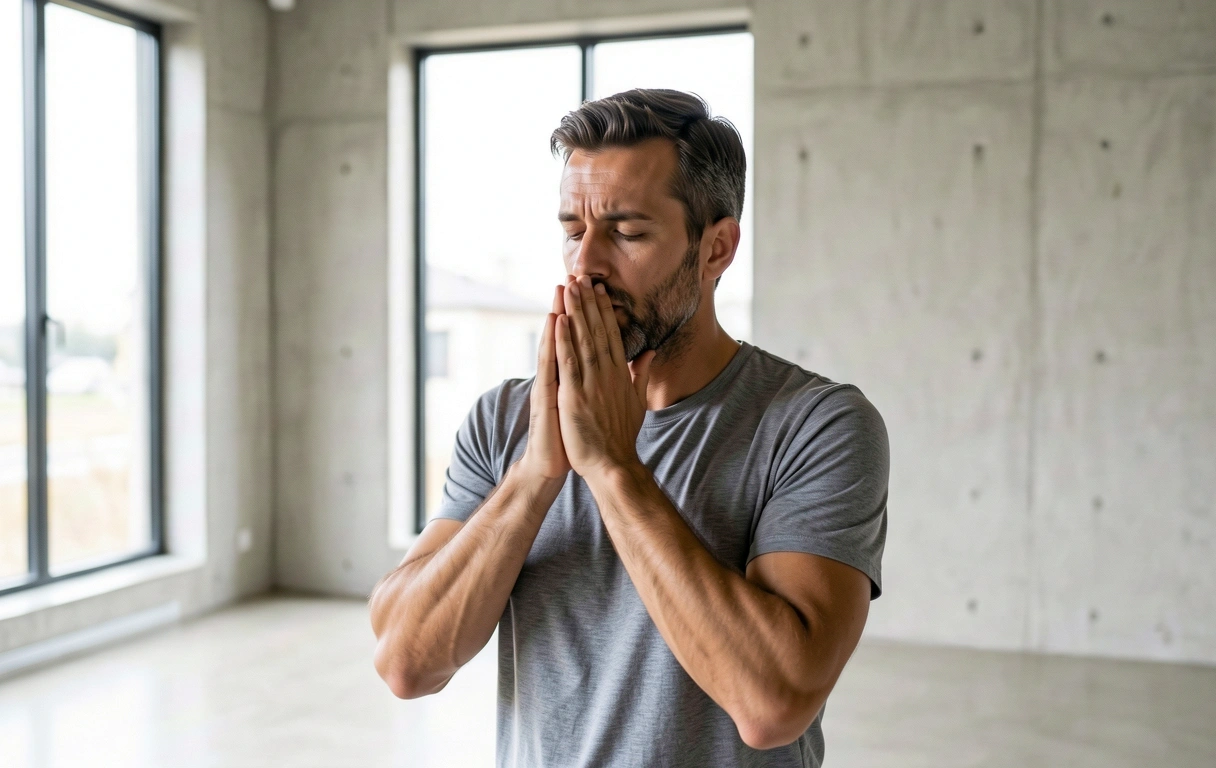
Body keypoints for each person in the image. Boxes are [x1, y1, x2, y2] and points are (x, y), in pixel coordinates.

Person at [369, 88, 889, 768]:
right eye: (573, 231)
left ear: (716, 249)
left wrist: (614, 469)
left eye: (628, 232)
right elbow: (407, 663)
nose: (586, 265)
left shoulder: (816, 425)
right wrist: (534, 476)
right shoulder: (505, 420)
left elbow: (773, 704)